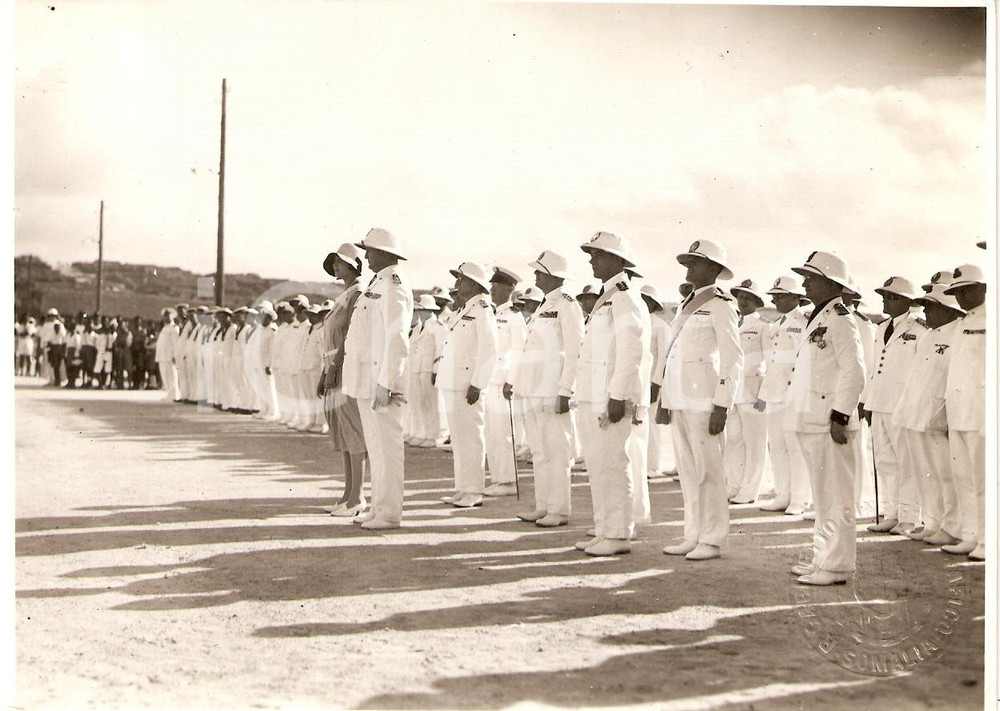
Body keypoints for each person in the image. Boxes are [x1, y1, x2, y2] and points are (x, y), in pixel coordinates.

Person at [656, 239, 742, 561]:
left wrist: (722, 404)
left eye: (695, 262)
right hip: (680, 397)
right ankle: (693, 533)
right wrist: (665, 399)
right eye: (688, 262)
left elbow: (733, 358)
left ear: (713, 268)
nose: (688, 267)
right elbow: (673, 354)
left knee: (709, 472)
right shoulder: (685, 305)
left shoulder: (721, 305)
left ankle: (713, 538)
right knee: (688, 472)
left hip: (705, 401)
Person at [786, 251, 866, 586]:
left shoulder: (841, 319)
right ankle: (823, 558)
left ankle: (837, 565)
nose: (805, 283)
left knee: (836, 496)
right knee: (822, 497)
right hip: (811, 418)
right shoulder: (819, 317)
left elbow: (854, 371)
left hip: (829, 420)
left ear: (831, 283)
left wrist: (840, 415)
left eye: (811, 278)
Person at [575, 231, 644, 556]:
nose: (592, 260)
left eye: (598, 254)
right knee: (597, 466)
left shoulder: (625, 297)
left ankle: (618, 534)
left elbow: (631, 350)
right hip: (593, 394)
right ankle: (604, 529)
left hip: (609, 397)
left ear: (617, 260)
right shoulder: (607, 297)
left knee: (612, 464)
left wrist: (618, 396)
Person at [341, 228, 414, 530]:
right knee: (376, 448)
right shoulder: (378, 282)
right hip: (366, 379)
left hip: (381, 381)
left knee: (387, 449)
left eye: (369, 250)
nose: (366, 256)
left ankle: (390, 512)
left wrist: (386, 382)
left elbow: (397, 339)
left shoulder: (394, 285)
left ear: (384, 253)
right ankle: (377, 506)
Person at [507, 250, 585, 527]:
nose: (536, 276)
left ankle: (559, 509)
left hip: (551, 390)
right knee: (539, 452)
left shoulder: (567, 304)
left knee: (556, 452)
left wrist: (566, 390)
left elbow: (575, 349)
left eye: (540, 272)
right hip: (532, 388)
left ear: (553, 275)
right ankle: (543, 505)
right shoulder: (543, 305)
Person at [892, 284, 965, 545]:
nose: (926, 311)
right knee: (926, 473)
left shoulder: (958, 334)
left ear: (949, 310)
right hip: (915, 414)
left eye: (931, 306)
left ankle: (952, 526)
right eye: (925, 306)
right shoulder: (929, 335)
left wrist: (944, 415)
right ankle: (932, 522)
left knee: (945, 475)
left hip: (938, 417)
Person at [861, 276, 926, 535]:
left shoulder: (919, 329)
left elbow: (919, 373)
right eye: (885, 296)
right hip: (880, 402)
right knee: (885, 461)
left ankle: (909, 518)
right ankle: (891, 513)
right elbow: (874, 368)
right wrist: (867, 401)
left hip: (902, 404)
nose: (886, 301)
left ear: (908, 302)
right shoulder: (881, 328)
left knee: (906, 462)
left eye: (892, 297)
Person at [437, 262, 498, 509]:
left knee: (471, 438)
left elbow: (489, 348)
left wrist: (478, 383)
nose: (457, 283)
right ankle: (462, 488)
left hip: (467, 384)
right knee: (459, 439)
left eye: (461, 279)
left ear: (474, 283)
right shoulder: (464, 309)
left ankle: (474, 490)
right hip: (453, 382)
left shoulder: (482, 308)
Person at [319, 244, 369, 517]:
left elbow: (350, 334)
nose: (336, 266)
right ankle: (348, 494)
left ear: (354, 265)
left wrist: (335, 366)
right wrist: (324, 371)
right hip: (334, 367)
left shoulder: (358, 293)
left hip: (345, 368)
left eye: (340, 261)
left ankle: (357, 497)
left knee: (353, 431)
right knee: (341, 431)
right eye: (334, 262)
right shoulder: (345, 294)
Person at [942, 264, 986, 561]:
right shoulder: (961, 324)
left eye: (967, 290)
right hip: (958, 412)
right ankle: (970, 535)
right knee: (964, 478)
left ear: (983, 288)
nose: (961, 296)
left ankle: (988, 540)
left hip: (981, 413)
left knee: (984, 480)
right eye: (957, 292)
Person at [757, 275, 810, 514]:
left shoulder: (804, 322)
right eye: (774, 296)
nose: (775, 300)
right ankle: (782, 494)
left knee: (795, 447)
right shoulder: (775, 325)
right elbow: (772, 362)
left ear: (796, 297)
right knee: (777, 446)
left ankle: (799, 498)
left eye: (780, 296)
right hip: (775, 392)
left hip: (793, 393)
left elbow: (803, 362)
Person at [725, 278, 770, 504]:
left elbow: (771, 363)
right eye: (740, 297)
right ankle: (734, 485)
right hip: (733, 392)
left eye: (748, 298)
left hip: (753, 392)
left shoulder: (764, 326)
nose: (742, 301)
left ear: (757, 302)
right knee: (733, 440)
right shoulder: (733, 323)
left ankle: (750, 489)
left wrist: (764, 395)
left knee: (755, 443)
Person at [484, 266, 526, 497]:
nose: (492, 290)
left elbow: (519, 351)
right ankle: (498, 478)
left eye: (497, 286)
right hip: (490, 380)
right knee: (492, 433)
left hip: (503, 383)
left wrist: (512, 380)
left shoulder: (513, 317)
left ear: (509, 289)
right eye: (492, 285)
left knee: (503, 433)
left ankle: (508, 481)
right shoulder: (493, 314)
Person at [641, 286, 673, 481]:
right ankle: (640, 465)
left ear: (654, 304)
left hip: (652, 382)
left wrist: (656, 384)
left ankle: (652, 466)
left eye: (647, 299)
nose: (643, 302)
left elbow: (663, 358)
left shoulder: (661, 327)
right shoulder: (638, 323)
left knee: (651, 424)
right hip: (638, 381)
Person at [155, 308, 180, 401]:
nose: (167, 317)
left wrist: (174, 355)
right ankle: (169, 394)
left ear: (173, 316)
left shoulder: (174, 328)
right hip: (162, 356)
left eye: (169, 315)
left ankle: (174, 395)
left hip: (169, 356)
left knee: (171, 376)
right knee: (165, 376)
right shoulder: (164, 328)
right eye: (165, 316)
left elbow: (176, 343)